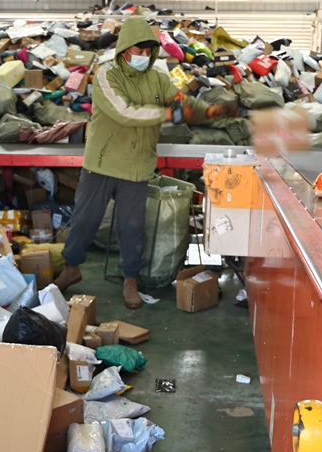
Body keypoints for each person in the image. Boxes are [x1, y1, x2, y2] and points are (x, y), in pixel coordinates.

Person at [53, 16, 236, 308]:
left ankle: (130, 281)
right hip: (102, 162)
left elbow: (178, 102)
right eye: (140, 49)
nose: (145, 55)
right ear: (125, 48)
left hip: (137, 166)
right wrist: (165, 115)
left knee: (133, 229)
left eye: (149, 49)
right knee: (84, 222)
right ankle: (71, 269)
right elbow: (125, 112)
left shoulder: (158, 77)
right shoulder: (105, 74)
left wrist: (209, 110)